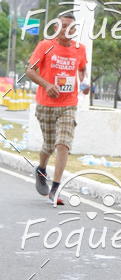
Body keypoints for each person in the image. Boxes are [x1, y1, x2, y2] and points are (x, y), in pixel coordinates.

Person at [25, 12, 89, 205]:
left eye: (71, 27)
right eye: (63, 26)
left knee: (63, 144)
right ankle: (41, 169)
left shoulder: (80, 49)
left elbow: (82, 68)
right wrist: (47, 85)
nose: (67, 30)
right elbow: (29, 71)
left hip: (68, 104)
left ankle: (55, 188)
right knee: (48, 145)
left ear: (75, 30)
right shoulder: (45, 46)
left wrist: (83, 82)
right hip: (45, 104)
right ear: (55, 28)